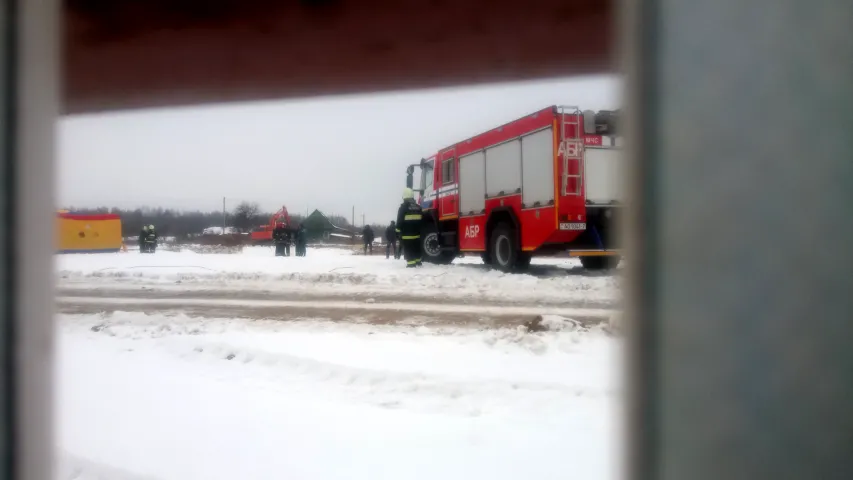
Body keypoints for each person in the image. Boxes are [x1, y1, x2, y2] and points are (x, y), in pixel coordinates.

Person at [397, 187, 423, 267]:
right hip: (417, 234)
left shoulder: (403, 208)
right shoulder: (418, 207)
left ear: (404, 197)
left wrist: (397, 231)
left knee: (409, 248)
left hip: (407, 234)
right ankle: (418, 261)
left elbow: (400, 221)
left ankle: (411, 263)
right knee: (416, 247)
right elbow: (422, 220)